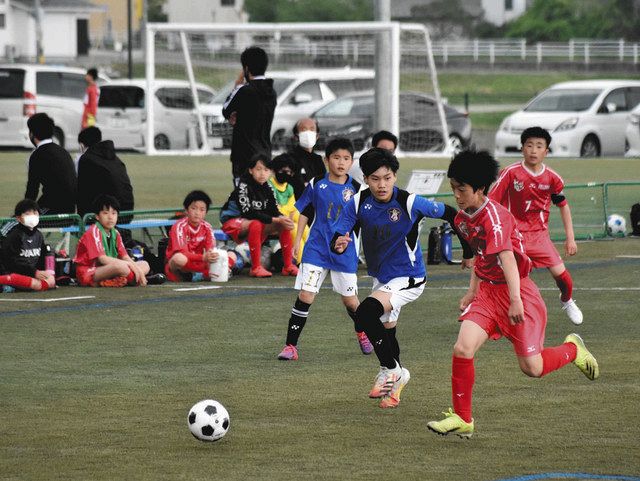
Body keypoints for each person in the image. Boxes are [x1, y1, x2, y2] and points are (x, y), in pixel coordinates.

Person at [426, 150, 599, 438]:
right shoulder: (463, 217)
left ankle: (573, 350)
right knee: (462, 348)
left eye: (462, 189)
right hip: (487, 295)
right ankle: (463, 417)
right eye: (453, 188)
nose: (456, 195)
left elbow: (506, 258)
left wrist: (516, 299)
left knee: (533, 368)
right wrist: (472, 291)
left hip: (518, 293)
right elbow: (482, 256)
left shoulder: (495, 218)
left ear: (480, 189)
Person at [331, 148, 473, 409]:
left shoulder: (409, 201)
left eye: (387, 178)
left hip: (410, 277)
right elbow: (340, 231)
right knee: (386, 331)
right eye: (375, 179)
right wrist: (339, 243)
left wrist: (467, 250)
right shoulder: (358, 202)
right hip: (382, 278)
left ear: (395, 176)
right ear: (365, 179)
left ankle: (390, 369)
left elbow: (452, 214)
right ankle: (397, 382)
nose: (381, 184)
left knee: (364, 314)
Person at [277, 138, 373, 361]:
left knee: (351, 301)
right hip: (316, 250)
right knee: (306, 295)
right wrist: (297, 241)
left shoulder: (358, 190)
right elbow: (304, 213)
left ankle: (362, 332)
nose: (341, 162)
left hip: (344, 253)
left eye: (346, 158)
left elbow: (363, 222)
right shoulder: (316, 183)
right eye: (336, 158)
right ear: (326, 159)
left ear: (352, 162)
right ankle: (291, 346)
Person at [488, 126, 583, 325]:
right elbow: (491, 202)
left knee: (563, 278)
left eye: (539, 146)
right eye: (529, 145)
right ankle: (492, 309)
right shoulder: (510, 173)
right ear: (522, 148)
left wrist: (570, 238)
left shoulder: (552, 178)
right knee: (505, 277)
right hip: (515, 237)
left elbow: (563, 206)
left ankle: (566, 300)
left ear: (546, 151)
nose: (533, 150)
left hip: (540, 236)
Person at [219, 153, 298, 278]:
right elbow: (248, 213)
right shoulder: (243, 185)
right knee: (256, 224)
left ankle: (288, 266)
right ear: (251, 170)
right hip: (232, 221)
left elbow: (274, 210)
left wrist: (281, 218)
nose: (262, 173)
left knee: (283, 225)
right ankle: (255, 268)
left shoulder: (268, 187)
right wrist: (275, 219)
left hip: (255, 221)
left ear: (270, 172)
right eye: (258, 169)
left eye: (266, 170)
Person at [73, 195, 158, 287]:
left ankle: (127, 279)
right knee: (121, 267)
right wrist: (131, 266)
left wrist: (135, 267)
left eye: (114, 213)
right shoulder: (93, 232)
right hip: (89, 271)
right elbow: (102, 259)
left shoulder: (116, 233)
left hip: (107, 269)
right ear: (97, 216)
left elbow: (125, 256)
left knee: (145, 264)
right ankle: (137, 279)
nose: (110, 217)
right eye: (105, 213)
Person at [222, 46, 277, 185]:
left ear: (246, 69)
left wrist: (237, 85)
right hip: (265, 152)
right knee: (260, 196)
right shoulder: (272, 92)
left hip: (243, 154)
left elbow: (225, 110)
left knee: (243, 197)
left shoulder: (243, 90)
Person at [165, 190, 224, 282]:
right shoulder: (179, 226)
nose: (197, 213)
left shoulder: (207, 227)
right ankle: (194, 275)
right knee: (179, 258)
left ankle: (203, 274)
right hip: (183, 264)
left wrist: (212, 257)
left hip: (199, 263)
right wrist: (203, 258)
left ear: (206, 212)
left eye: (202, 209)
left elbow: (210, 249)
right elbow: (182, 253)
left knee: (229, 255)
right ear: (186, 210)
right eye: (193, 208)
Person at [24, 113, 77, 215]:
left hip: (53, 209)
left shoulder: (37, 155)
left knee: (11, 223)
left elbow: (32, 189)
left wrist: (23, 211)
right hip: (71, 210)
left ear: (32, 134)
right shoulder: (63, 152)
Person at [76, 127, 134, 218]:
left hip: (108, 216)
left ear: (82, 145)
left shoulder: (86, 159)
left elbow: (83, 193)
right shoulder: (116, 159)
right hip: (127, 213)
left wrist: (81, 219)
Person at [0, 199, 55, 292]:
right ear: (18, 218)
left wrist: (46, 273)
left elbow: (41, 258)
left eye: (35, 212)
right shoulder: (14, 236)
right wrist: (34, 272)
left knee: (50, 281)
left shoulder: (38, 235)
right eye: (27, 214)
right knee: (37, 285)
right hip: (13, 274)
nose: (32, 216)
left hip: (30, 274)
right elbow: (11, 262)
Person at [267, 153, 309, 264]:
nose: (286, 174)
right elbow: (274, 208)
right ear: (274, 170)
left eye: (289, 172)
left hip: (286, 218)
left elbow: (293, 207)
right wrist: (287, 213)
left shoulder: (289, 188)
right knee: (294, 228)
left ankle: (314, 257)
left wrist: (289, 213)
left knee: (303, 225)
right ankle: (301, 261)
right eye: (282, 171)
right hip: (273, 221)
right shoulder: (269, 185)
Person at [289, 118, 326, 199]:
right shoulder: (289, 159)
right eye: (304, 130)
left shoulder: (318, 160)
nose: (308, 133)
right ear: (296, 136)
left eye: (312, 129)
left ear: (317, 136)